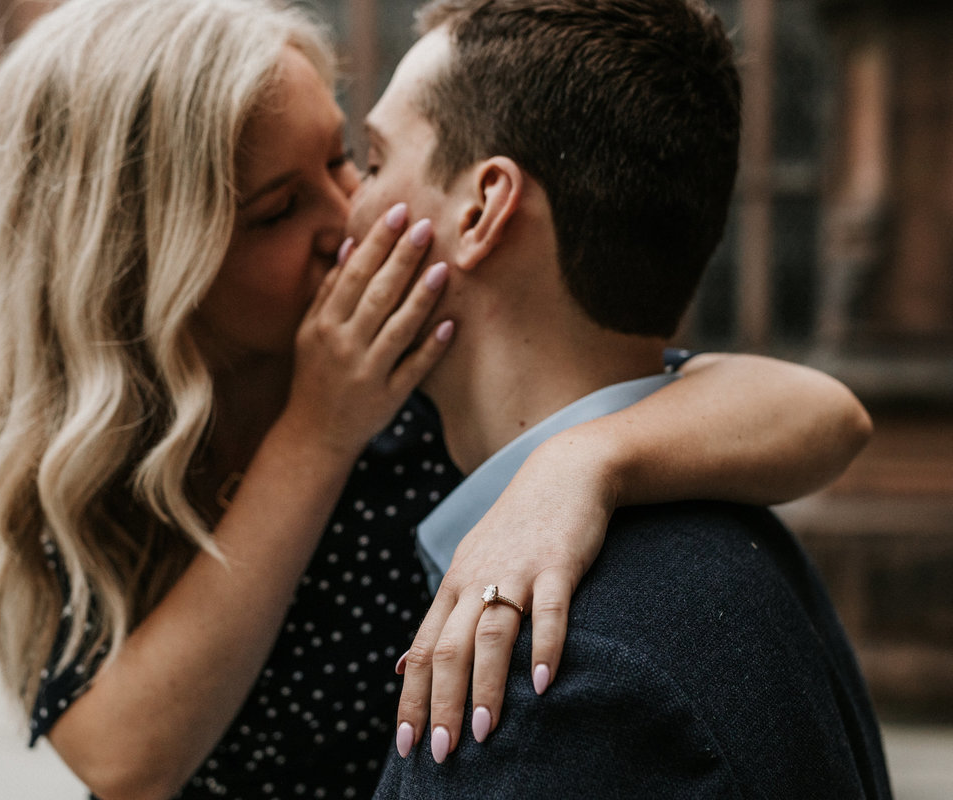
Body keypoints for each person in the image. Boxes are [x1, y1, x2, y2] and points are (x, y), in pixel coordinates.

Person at [0, 0, 871, 798]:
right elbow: (125, 760)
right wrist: (316, 433)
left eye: (349, 159)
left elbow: (818, 412)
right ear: (140, 264)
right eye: (278, 209)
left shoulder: (426, 373)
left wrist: (580, 464)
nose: (346, 213)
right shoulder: (88, 453)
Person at [352, 1, 891, 797]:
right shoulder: (739, 527)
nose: (346, 212)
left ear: (480, 209)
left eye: (370, 162)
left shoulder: (547, 687)